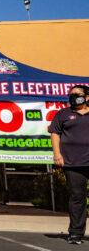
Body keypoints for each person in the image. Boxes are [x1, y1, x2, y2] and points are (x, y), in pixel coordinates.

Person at [49, 85, 89, 245]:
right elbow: (54, 133)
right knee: (77, 198)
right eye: (71, 94)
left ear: (86, 97)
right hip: (73, 163)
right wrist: (57, 154)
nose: (73, 97)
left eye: (77, 94)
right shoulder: (63, 114)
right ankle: (75, 234)